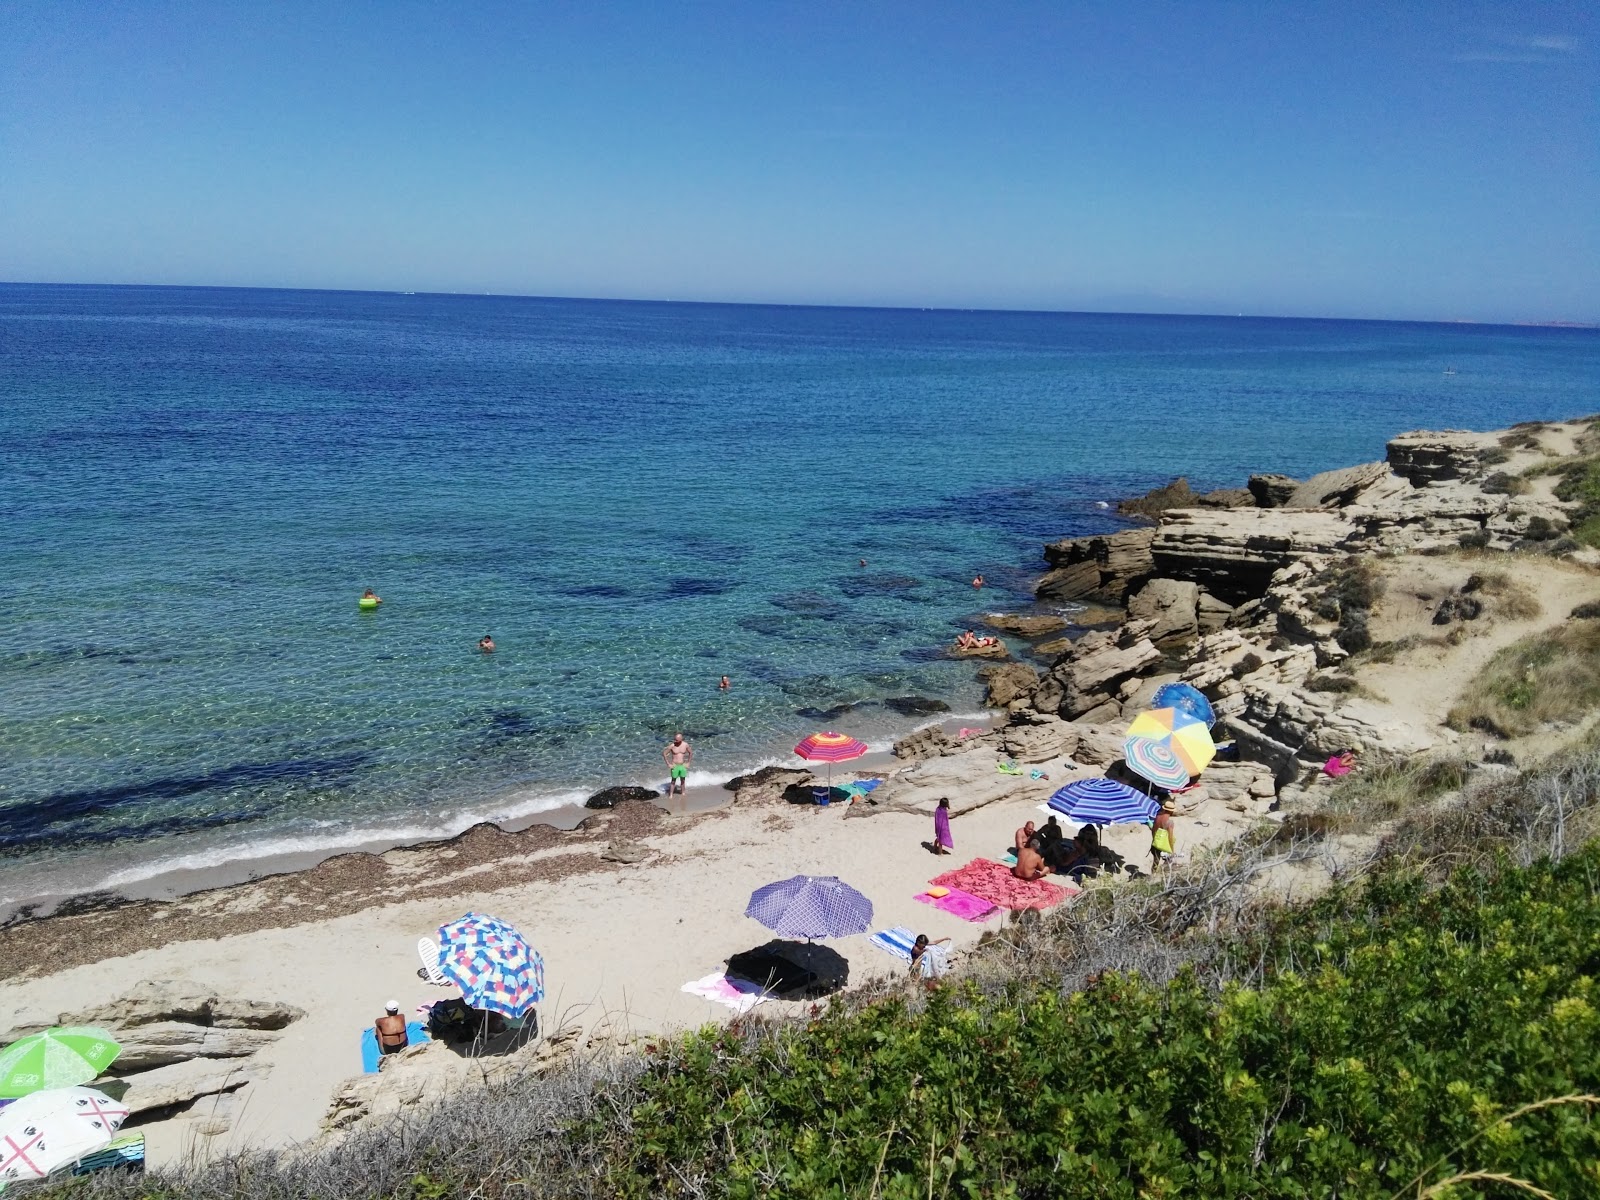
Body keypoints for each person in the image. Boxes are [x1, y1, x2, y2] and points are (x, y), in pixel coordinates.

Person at [1150, 801, 1177, 870]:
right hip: (1163, 846)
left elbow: (1153, 829)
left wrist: (1154, 840)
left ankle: (1153, 876)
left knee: (1155, 862)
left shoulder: (1158, 817)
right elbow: (1170, 837)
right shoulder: (1169, 822)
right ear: (1171, 812)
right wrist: (1172, 850)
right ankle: (1162, 875)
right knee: (1168, 861)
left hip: (1155, 843)